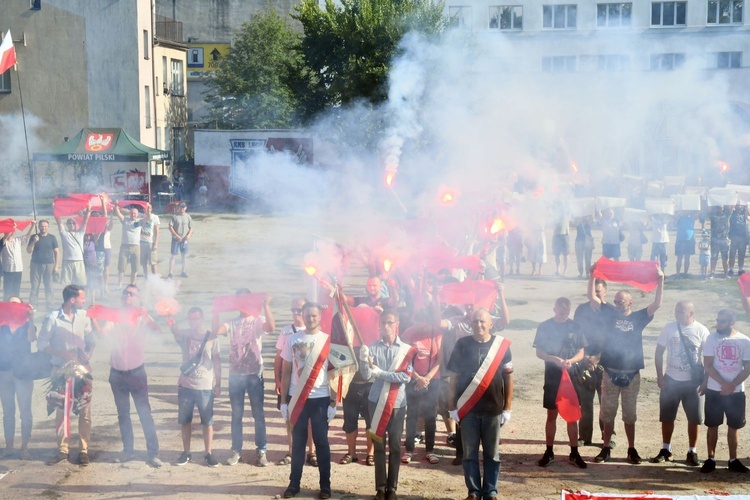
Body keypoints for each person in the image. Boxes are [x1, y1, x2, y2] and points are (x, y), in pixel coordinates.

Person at [588, 264, 664, 464]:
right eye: (616, 301)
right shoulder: (609, 313)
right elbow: (593, 299)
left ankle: (631, 449)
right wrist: (592, 276)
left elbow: (657, 304)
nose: (618, 304)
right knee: (608, 414)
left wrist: (661, 280)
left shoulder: (639, 317)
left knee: (630, 415)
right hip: (610, 373)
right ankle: (606, 448)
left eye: (621, 302)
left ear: (630, 302)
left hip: (631, 374)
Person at [447, 308, 513, 500]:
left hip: (493, 409)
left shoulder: (501, 346)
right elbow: (453, 378)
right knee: (469, 454)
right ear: (470, 323)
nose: (479, 325)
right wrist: (452, 406)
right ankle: (474, 492)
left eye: (483, 321)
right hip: (468, 410)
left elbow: (509, 378)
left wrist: (507, 407)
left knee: (492, 455)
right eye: (475, 321)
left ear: (491, 323)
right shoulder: (462, 344)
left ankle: (491, 491)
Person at [101, 284, 163, 467]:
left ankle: (153, 453)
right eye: (125, 293)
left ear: (137, 298)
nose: (127, 295)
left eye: (131, 293)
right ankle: (128, 451)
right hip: (117, 373)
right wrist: (96, 320)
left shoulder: (141, 315)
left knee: (145, 414)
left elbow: (157, 331)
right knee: (123, 415)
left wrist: (149, 319)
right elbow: (103, 334)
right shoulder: (115, 315)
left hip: (136, 372)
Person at [280, 302, 336, 499]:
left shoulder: (327, 340)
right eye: (307, 315)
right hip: (298, 397)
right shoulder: (292, 339)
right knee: (298, 444)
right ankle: (294, 484)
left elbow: (334, 373)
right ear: (301, 316)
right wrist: (283, 400)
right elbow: (286, 371)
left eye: (314, 315)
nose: (310, 318)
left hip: (320, 398)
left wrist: (333, 402)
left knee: (322, 443)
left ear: (320, 317)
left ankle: (325, 486)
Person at [215, 289, 275, 467]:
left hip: (254, 374)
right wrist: (216, 310)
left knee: (258, 414)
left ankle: (262, 450)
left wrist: (265, 305)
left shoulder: (258, 319)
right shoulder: (232, 323)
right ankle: (236, 451)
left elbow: (271, 327)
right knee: (236, 415)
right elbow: (217, 331)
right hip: (235, 376)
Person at [38, 284, 95, 466]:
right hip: (60, 370)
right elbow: (42, 344)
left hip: (81, 370)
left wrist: (88, 352)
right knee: (62, 411)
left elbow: (90, 339)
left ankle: (84, 450)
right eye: (81, 298)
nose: (84, 300)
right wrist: (63, 353)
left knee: (85, 411)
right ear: (72, 300)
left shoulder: (84, 316)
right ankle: (63, 449)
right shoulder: (52, 319)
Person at [360, 310, 413, 500]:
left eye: (390, 323)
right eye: (384, 323)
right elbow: (367, 376)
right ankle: (381, 488)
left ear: (397, 323)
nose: (387, 326)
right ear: (380, 325)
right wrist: (363, 360)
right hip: (376, 401)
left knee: (396, 444)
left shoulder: (406, 349)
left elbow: (404, 377)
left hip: (397, 402)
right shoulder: (371, 348)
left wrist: (380, 373)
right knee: (379, 444)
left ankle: (393, 487)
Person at [650, 300, 709, 466]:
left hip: (693, 383)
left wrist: (706, 380)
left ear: (691, 313)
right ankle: (666, 449)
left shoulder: (702, 330)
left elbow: (709, 357)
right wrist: (660, 376)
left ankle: (692, 451)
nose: (676, 314)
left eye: (680, 311)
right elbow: (659, 352)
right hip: (671, 380)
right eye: (675, 310)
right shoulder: (669, 328)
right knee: (667, 417)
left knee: (695, 418)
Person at [533, 297, 587, 469]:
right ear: (554, 308)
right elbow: (539, 352)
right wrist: (552, 359)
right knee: (552, 415)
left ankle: (574, 453)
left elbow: (581, 352)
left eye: (567, 311)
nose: (564, 313)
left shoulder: (575, 327)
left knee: (572, 416)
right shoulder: (545, 326)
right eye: (561, 310)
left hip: (572, 377)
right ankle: (549, 452)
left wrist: (571, 360)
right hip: (552, 375)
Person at [170, 306, 221, 467]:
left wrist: (218, 383)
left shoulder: (212, 336)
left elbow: (217, 360)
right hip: (186, 384)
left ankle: (208, 453)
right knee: (185, 420)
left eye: (196, 318)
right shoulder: (184, 335)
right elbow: (175, 332)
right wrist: (170, 318)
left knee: (208, 421)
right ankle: (186, 452)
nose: (193, 321)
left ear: (202, 319)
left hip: (205, 384)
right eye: (191, 318)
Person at [700, 309, 750, 473]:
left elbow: (747, 367)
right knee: (712, 425)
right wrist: (723, 383)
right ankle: (710, 458)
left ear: (731, 323)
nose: (718, 324)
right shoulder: (711, 338)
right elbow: (708, 364)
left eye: (722, 321)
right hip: (715, 390)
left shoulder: (744, 340)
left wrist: (732, 385)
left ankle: (733, 459)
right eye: (717, 320)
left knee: (733, 426)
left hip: (736, 392)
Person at [275, 298, 315, 466]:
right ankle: (291, 451)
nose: (296, 313)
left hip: (310, 384)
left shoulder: (315, 331)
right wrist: (277, 379)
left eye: (299, 310)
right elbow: (279, 358)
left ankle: (311, 452)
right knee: (290, 418)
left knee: (311, 420)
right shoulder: (286, 332)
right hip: (291, 382)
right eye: (293, 310)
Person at [400, 312, 442, 465]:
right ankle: (409, 449)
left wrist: (427, 378)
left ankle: (430, 450)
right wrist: (417, 377)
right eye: (417, 321)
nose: (420, 326)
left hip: (432, 379)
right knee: (412, 413)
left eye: (423, 322)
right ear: (413, 319)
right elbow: (404, 358)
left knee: (431, 415)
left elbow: (440, 358)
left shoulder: (436, 333)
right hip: (413, 378)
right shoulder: (408, 333)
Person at [572, 279, 608, 447]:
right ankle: (584, 436)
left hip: (604, 363)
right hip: (584, 362)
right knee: (585, 401)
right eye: (593, 291)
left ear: (605, 292)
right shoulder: (581, 310)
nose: (595, 294)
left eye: (598, 291)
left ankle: (608, 435)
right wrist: (584, 356)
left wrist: (597, 358)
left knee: (605, 402)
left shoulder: (610, 311)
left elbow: (614, 341)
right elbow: (576, 335)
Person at [0, 297, 36, 459]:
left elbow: (32, 338)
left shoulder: (26, 324)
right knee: (8, 411)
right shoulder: (2, 324)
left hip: (23, 372)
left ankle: (25, 447)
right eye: (10, 303)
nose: (13, 306)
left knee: (25, 411)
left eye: (17, 303)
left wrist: (31, 318)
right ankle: (9, 446)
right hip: (4, 371)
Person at [55, 207, 92, 287]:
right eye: (69, 223)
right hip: (67, 261)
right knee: (66, 284)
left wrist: (88, 211)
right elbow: (58, 221)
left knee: (80, 284)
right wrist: (55, 208)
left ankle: (80, 298)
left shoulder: (80, 232)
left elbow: (85, 221)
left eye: (73, 223)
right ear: (67, 225)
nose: (71, 225)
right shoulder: (64, 233)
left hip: (79, 261)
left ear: (76, 224)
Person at [27, 220, 59, 310]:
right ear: (39, 227)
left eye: (45, 226)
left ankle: (50, 305)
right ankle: (33, 305)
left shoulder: (52, 238)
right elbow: (29, 250)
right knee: (35, 286)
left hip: (49, 264)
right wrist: (34, 241)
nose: (43, 228)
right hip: (35, 264)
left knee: (49, 286)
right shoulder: (34, 237)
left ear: (48, 227)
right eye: (41, 226)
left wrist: (56, 266)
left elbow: (57, 252)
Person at [2, 222, 35, 301]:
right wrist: (10, 229)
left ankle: (16, 303)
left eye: (12, 231)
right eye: (8, 231)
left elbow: (27, 236)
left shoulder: (17, 240)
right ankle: (6, 303)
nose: (11, 232)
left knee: (16, 288)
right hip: (8, 270)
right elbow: (5, 238)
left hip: (18, 269)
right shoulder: (3, 242)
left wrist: (32, 225)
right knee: (7, 289)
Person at [114, 205, 141, 287]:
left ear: (138, 214)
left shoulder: (138, 222)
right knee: (122, 267)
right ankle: (120, 284)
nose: (133, 215)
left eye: (135, 213)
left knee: (135, 267)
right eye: (132, 213)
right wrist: (117, 206)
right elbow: (118, 213)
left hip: (135, 247)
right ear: (130, 214)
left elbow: (148, 217)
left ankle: (132, 283)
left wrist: (148, 209)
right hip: (124, 246)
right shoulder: (125, 220)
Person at [168, 202, 192, 279]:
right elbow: (170, 227)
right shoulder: (175, 217)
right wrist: (176, 236)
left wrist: (188, 235)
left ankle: (183, 272)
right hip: (176, 239)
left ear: (186, 208)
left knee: (184, 256)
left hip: (185, 239)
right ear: (179, 208)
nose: (182, 209)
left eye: (183, 207)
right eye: (181, 207)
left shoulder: (188, 217)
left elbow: (191, 228)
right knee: (173, 256)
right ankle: (170, 273)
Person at [709, 205, 732, 278]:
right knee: (713, 257)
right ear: (715, 208)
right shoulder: (712, 215)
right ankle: (712, 273)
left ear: (723, 208)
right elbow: (708, 209)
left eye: (720, 207)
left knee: (725, 258)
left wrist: (733, 196)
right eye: (718, 207)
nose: (719, 208)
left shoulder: (726, 215)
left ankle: (726, 273)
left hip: (724, 239)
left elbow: (731, 208)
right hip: (715, 239)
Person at [139, 203, 160, 278]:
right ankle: (146, 279)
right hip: (141, 242)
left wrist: (156, 243)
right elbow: (128, 211)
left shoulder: (155, 217)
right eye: (146, 207)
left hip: (151, 242)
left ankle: (156, 280)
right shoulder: (140, 216)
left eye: (149, 208)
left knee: (153, 262)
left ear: (151, 209)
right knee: (144, 263)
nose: (147, 209)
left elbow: (157, 231)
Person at [728, 202, 749, 276]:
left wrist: (746, 205)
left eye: (740, 205)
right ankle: (731, 268)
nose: (739, 206)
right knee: (732, 253)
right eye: (738, 205)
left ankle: (740, 268)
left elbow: (747, 216)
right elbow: (730, 208)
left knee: (741, 254)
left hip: (742, 236)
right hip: (734, 236)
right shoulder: (732, 213)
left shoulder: (744, 213)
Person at [674, 211, 697, 278]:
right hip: (680, 241)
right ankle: (677, 274)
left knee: (687, 258)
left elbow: (700, 212)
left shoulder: (692, 218)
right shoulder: (679, 218)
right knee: (679, 258)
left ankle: (685, 273)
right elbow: (672, 214)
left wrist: (703, 204)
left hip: (689, 241)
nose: (687, 212)